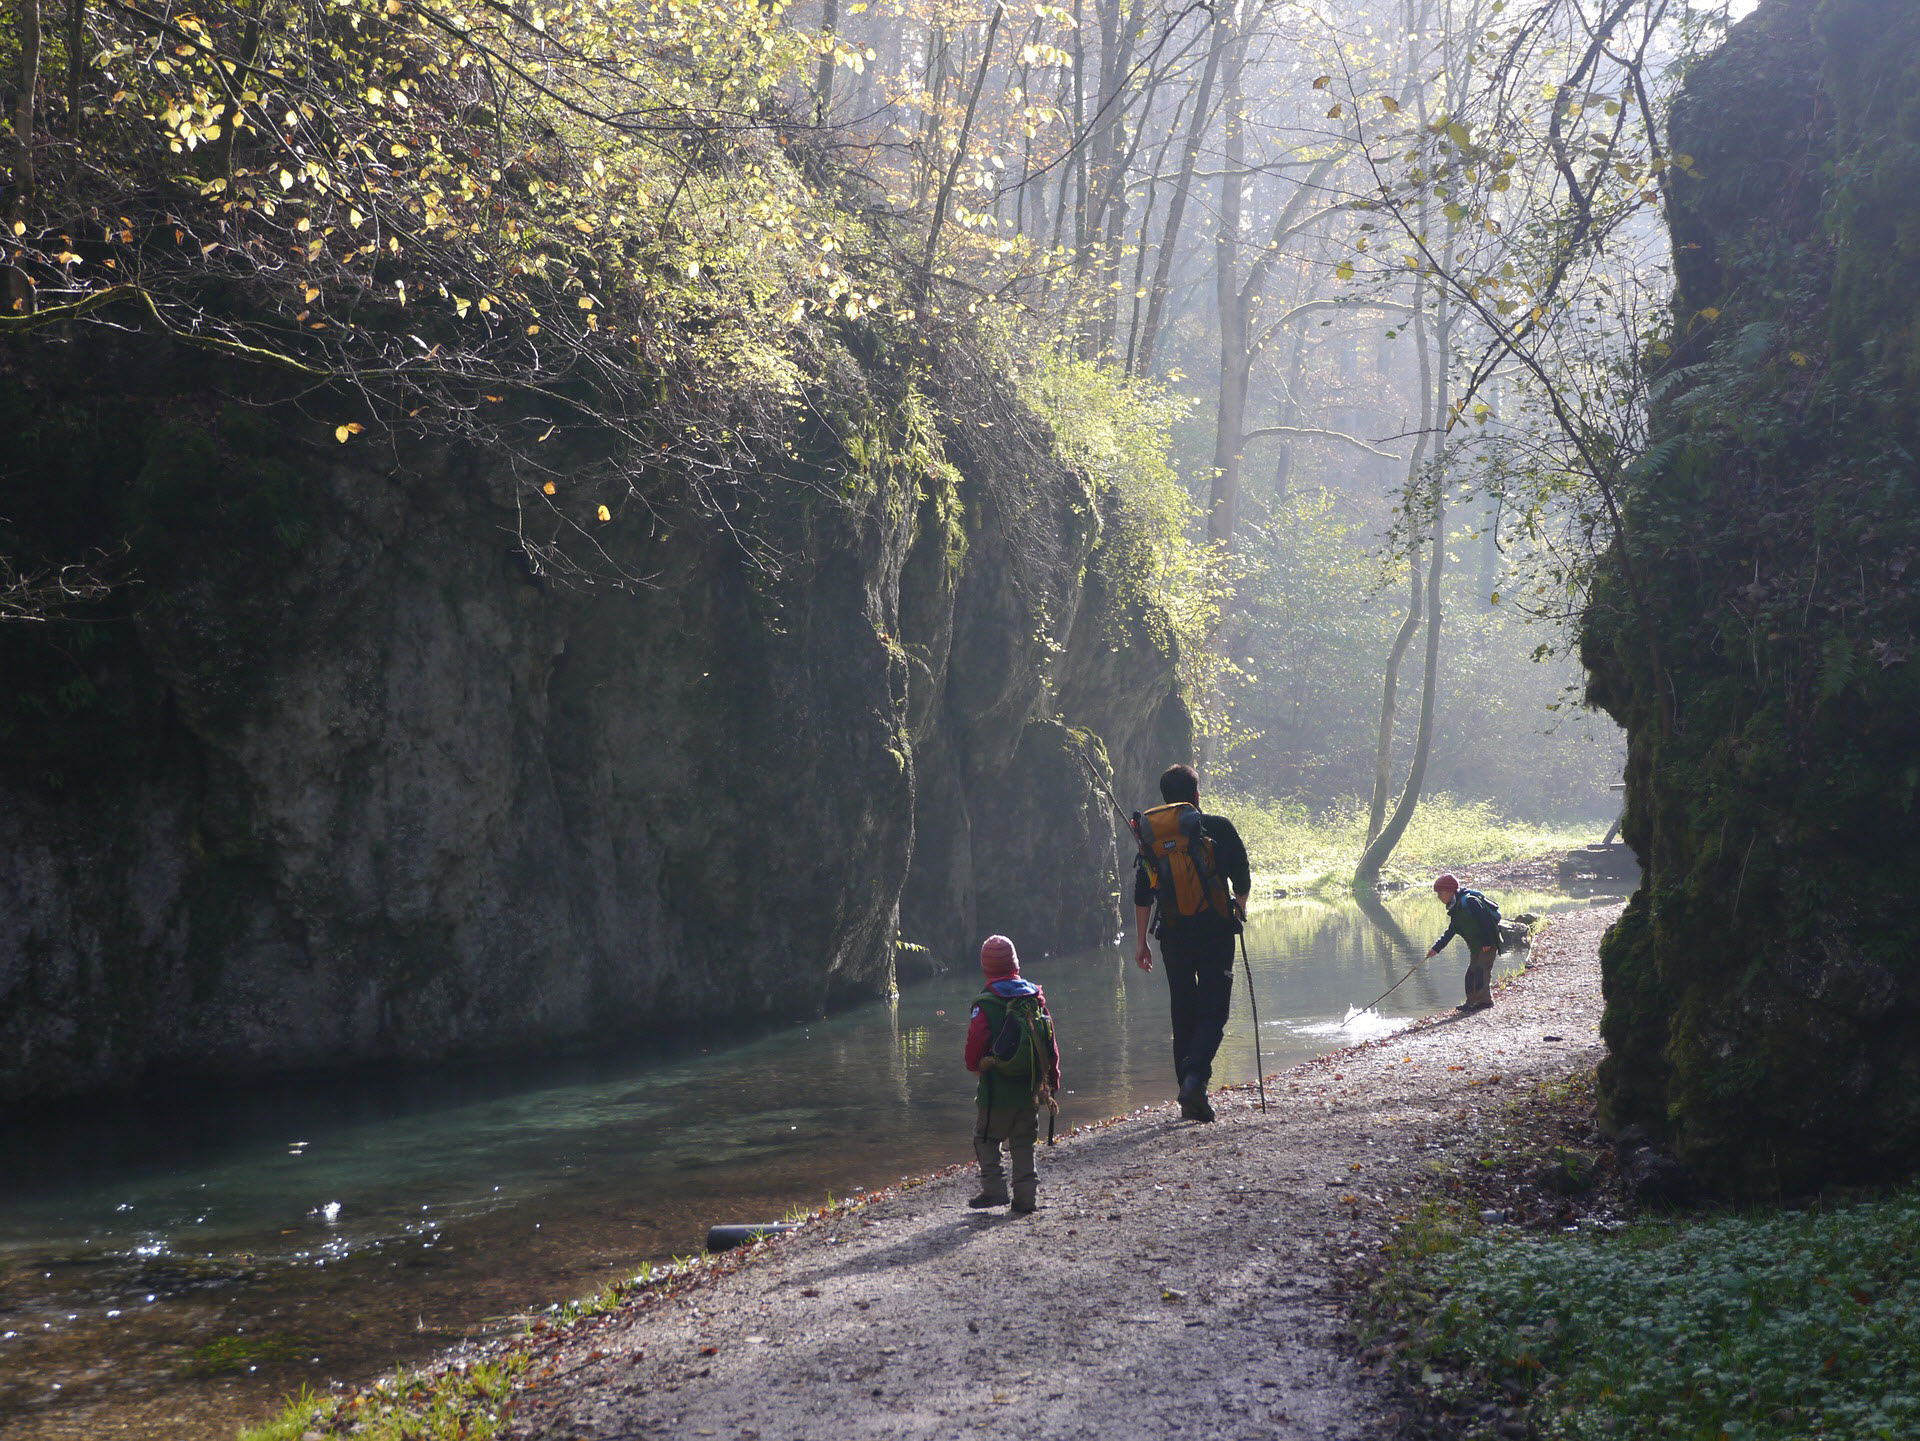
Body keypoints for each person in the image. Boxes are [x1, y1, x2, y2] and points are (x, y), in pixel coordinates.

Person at [1132, 763, 1250, 1123]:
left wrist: (1141, 944)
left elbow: (1143, 896)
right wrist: (1239, 909)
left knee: (1182, 1011)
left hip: (1173, 937)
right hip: (1214, 931)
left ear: (1166, 798)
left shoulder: (1152, 839)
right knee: (1214, 1009)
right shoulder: (1217, 827)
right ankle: (1195, 1079)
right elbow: (1242, 876)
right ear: (1196, 795)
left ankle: (1187, 1090)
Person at [963, 934, 1061, 1214]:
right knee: (1023, 1145)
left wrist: (974, 1066)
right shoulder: (1034, 999)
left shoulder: (986, 1003)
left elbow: (976, 1041)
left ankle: (994, 1190)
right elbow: (1049, 1043)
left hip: (996, 1094)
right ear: (1015, 965)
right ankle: (1026, 1199)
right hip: (1030, 1091)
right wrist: (1052, 1081)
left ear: (986, 969)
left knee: (984, 1139)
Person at [1424, 873, 1501, 1012]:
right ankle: (1471, 1002)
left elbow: (1484, 921)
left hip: (1487, 943)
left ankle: (1484, 1002)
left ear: (1450, 891)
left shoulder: (1469, 901)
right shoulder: (1456, 908)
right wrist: (1436, 948)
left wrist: (1486, 942)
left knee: (1481, 972)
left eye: (1440, 893)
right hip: (1475, 946)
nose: (1439, 897)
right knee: (1471, 973)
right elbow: (1451, 931)